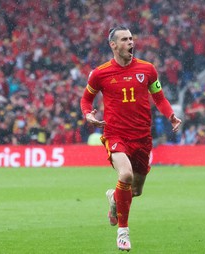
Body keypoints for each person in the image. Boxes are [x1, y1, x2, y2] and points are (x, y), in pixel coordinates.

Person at [80, 26, 182, 251]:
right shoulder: (100, 73)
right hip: (116, 134)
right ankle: (123, 233)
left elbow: (160, 97)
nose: (130, 43)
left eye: (131, 39)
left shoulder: (147, 69)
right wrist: (88, 115)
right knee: (124, 174)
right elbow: (86, 100)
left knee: (135, 190)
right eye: (124, 39)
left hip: (142, 137)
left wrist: (171, 115)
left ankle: (114, 198)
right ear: (113, 45)